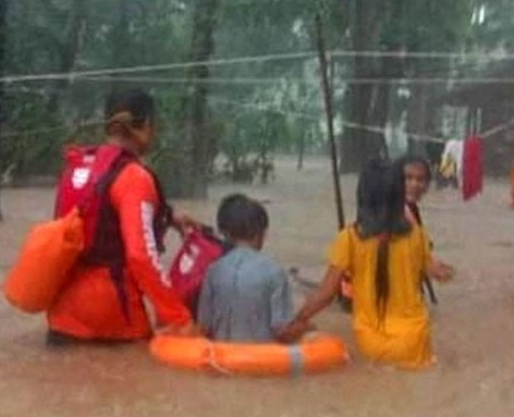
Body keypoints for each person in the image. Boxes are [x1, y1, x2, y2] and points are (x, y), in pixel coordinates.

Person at [47, 90, 198, 344]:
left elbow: (97, 212)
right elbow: (141, 257)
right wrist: (181, 320)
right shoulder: (134, 177)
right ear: (148, 125)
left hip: (62, 317)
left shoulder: (78, 165)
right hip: (112, 320)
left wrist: (169, 217)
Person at [283, 159, 454, 370]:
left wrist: (296, 320)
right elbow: (434, 271)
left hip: (373, 344)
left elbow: (325, 295)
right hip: (416, 340)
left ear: (363, 196)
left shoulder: (350, 238)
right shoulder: (417, 235)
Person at [197, 194, 301, 343]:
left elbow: (203, 328)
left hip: (221, 358)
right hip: (260, 360)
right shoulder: (275, 272)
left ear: (226, 234)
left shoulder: (213, 271)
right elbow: (282, 331)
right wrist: (305, 328)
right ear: (262, 233)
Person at [400, 155, 439, 304]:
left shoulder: (411, 208)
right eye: (408, 178)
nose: (414, 184)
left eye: (420, 180)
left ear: (427, 185)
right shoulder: (400, 210)